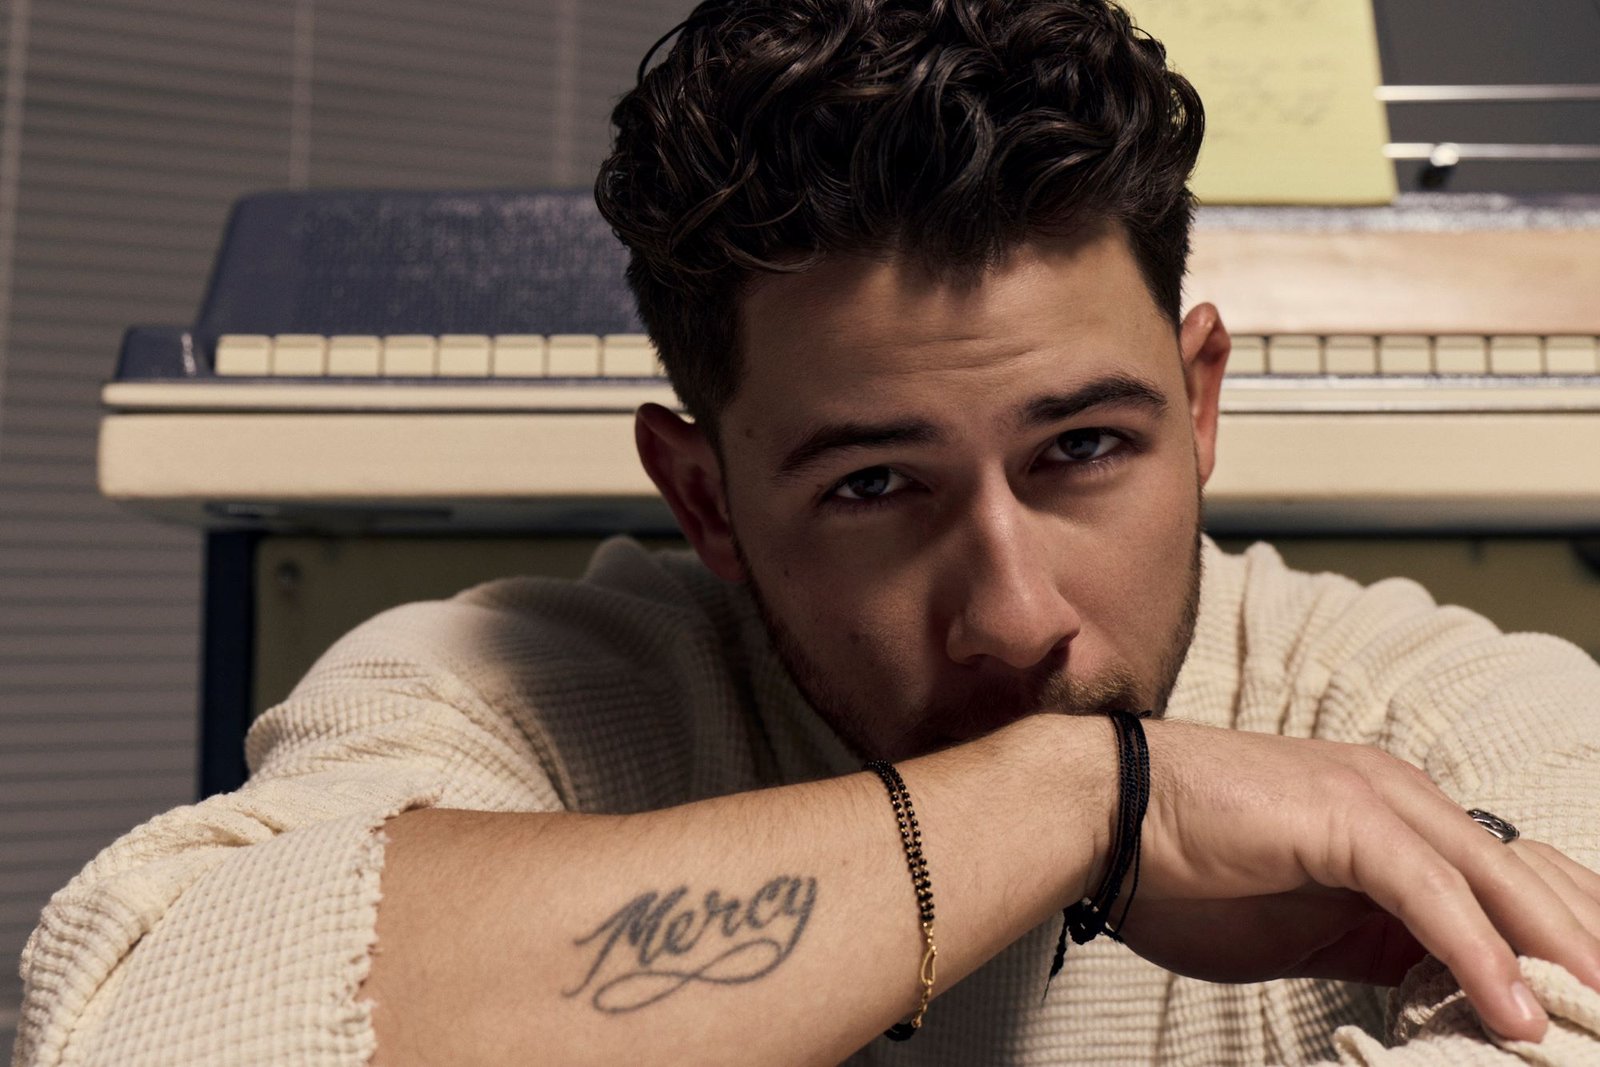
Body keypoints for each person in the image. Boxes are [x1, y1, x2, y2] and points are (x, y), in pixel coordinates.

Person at [15, 1, 1600, 1064]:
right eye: (874, 486)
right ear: (705, 499)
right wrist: (1088, 793)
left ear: (1199, 405)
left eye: (1083, 449)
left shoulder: (1429, 714)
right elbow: (149, 1028)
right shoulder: (507, 694)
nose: (1012, 610)